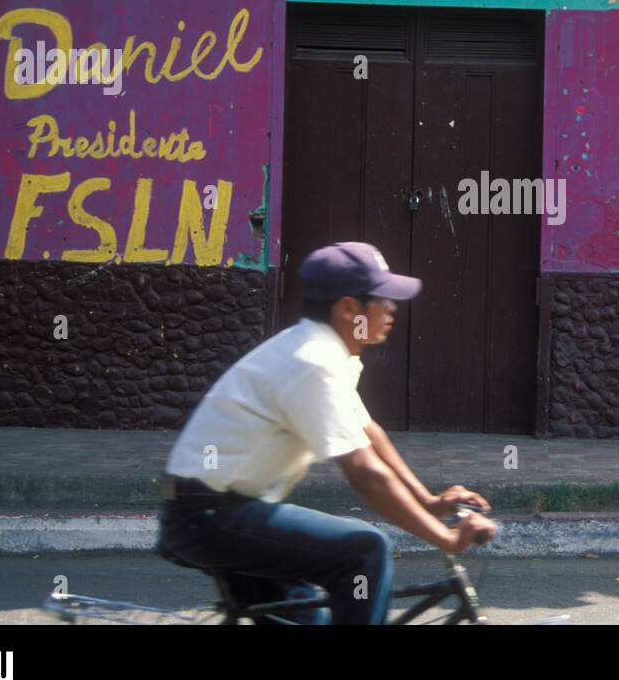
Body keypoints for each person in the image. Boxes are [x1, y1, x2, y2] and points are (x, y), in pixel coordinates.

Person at [156, 241, 496, 624]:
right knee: (364, 551)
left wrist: (429, 500)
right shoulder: (311, 362)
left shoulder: (330, 353)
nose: (392, 308)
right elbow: (365, 472)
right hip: (208, 516)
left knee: (311, 618)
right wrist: (446, 537)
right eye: (382, 299)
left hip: (225, 511)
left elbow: (370, 433)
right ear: (349, 308)